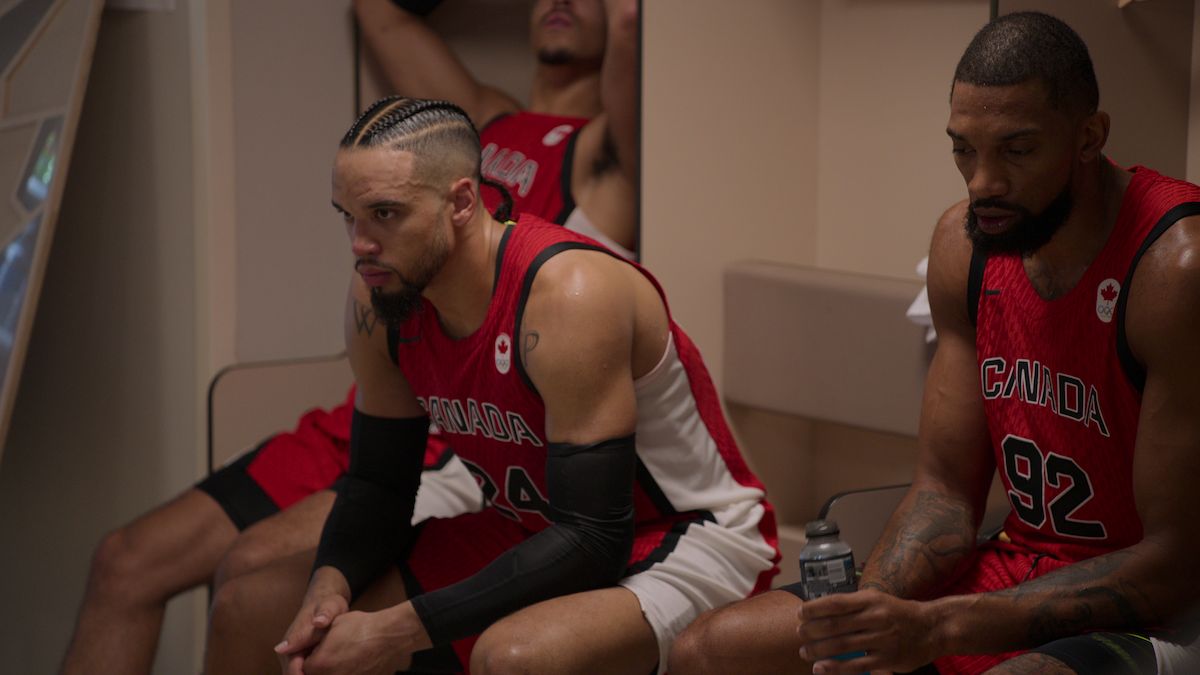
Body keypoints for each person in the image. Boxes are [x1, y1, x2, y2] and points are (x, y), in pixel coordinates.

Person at [668, 11, 1200, 675]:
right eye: (963, 149)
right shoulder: (965, 244)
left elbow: (1176, 564)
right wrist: (873, 611)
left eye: (1017, 150)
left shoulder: (1174, 267)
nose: (982, 182)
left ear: (1089, 138)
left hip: (1158, 613)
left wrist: (941, 625)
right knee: (708, 651)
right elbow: (945, 492)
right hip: (1013, 568)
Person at [202, 96, 778, 675]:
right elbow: (379, 485)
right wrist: (328, 587)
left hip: (677, 538)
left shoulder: (568, 293)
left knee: (512, 658)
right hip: (534, 527)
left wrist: (394, 631)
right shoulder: (380, 299)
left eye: (385, 214)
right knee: (248, 608)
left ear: (461, 201)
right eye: (347, 216)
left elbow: (598, 536)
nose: (359, 245)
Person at [57, 384, 484, 675]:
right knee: (126, 560)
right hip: (361, 415)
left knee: (250, 572)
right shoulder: (370, 271)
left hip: (443, 435)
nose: (362, 245)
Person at [354, 0, 638, 259]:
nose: (560, 1)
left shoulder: (613, 144)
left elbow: (629, 18)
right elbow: (378, 11)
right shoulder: (482, 114)